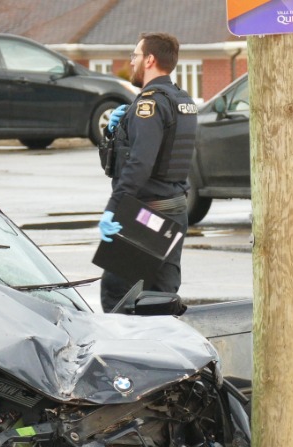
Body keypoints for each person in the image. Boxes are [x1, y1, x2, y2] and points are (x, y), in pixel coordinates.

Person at [97, 32, 198, 312]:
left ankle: (130, 356)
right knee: (160, 299)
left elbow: (140, 163)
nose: (131, 62)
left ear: (150, 59)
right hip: (174, 211)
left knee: (118, 298)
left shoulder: (149, 104)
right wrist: (116, 128)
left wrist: (114, 207)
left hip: (147, 214)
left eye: (135, 56)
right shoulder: (182, 100)